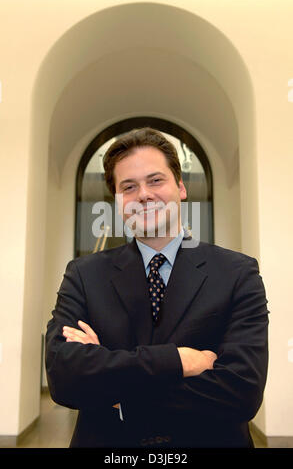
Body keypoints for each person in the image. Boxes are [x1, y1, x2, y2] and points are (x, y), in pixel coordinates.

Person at [45, 127, 269, 448]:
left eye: (155, 180)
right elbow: (65, 379)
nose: (144, 195)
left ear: (180, 188)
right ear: (118, 201)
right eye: (129, 186)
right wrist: (177, 361)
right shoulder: (84, 274)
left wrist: (116, 391)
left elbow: (241, 392)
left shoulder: (237, 273)